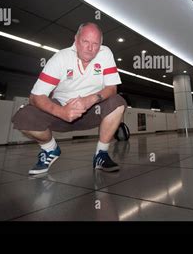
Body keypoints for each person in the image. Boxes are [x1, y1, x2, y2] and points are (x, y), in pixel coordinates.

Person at [11, 22, 127, 174]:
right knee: (24, 118)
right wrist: (61, 112)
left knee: (118, 102)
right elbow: (35, 97)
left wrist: (91, 99)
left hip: (93, 111)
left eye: (95, 44)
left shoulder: (105, 54)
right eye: (85, 41)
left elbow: (112, 88)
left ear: (101, 45)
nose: (90, 48)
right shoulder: (60, 58)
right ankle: (50, 149)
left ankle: (101, 154)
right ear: (76, 39)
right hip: (61, 111)